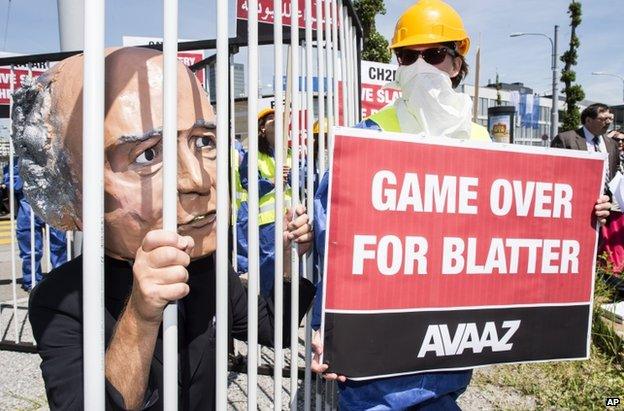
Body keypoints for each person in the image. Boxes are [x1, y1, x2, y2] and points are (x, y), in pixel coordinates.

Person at [310, 1, 611, 409]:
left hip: (447, 347)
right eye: (406, 56)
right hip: (377, 351)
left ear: (456, 63)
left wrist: (580, 215)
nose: (419, 67)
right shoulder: (370, 135)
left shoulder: (480, 142)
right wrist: (328, 328)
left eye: (433, 55)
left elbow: (519, 231)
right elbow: (334, 243)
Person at [16, 47, 314, 410]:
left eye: (204, 142)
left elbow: (272, 330)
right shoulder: (62, 300)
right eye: (148, 154)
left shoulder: (206, 267)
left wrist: (286, 257)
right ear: (76, 190)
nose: (198, 180)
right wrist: (141, 314)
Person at [235, 108, 294, 295]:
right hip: (268, 222)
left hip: (290, 219)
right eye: (271, 119)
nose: (276, 121)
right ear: (261, 128)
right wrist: (272, 181)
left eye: (279, 119)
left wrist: (292, 177)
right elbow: (248, 184)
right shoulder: (254, 154)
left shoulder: (289, 153)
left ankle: (283, 305)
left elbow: (300, 182)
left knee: (289, 264)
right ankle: (266, 305)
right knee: (269, 263)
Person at [2, 160, 67, 291]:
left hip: (52, 204)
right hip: (28, 205)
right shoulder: (19, 158)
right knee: (30, 248)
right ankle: (32, 281)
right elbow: (10, 180)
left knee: (59, 246)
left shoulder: (54, 156)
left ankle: (61, 280)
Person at [552, 103, 619, 191]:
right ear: (588, 120)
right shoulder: (565, 139)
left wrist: (609, 196)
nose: (609, 122)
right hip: (575, 197)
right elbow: (554, 171)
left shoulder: (612, 144)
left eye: (610, 119)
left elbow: (613, 172)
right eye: (604, 119)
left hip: (605, 201)